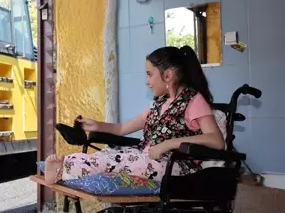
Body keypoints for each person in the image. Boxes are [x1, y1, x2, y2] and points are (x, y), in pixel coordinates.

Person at [43, 45, 225, 185]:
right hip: (148, 159)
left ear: (168, 76)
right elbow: (122, 128)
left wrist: (168, 144)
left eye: (149, 75)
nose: (147, 82)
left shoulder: (193, 100)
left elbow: (216, 140)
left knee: (121, 161)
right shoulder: (160, 104)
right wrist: (96, 125)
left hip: (176, 167)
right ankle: (64, 166)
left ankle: (65, 170)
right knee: (107, 155)